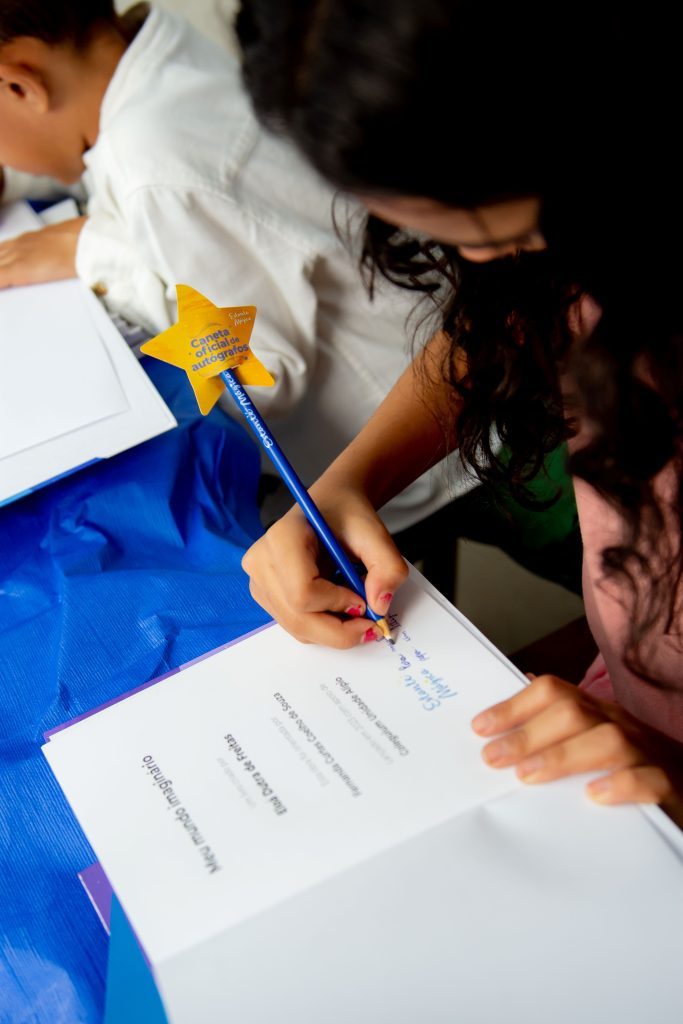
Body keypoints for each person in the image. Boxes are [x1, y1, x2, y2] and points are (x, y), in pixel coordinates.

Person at [236, 0, 683, 822]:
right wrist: (348, 482)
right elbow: (510, 320)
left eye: (514, 232)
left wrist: (671, 775)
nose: (479, 261)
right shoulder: (579, 251)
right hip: (618, 707)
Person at [0, 0, 481, 535]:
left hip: (435, 461)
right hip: (449, 389)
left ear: (19, 86)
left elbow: (262, 375)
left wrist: (96, 251)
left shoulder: (158, 167)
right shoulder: (156, 53)